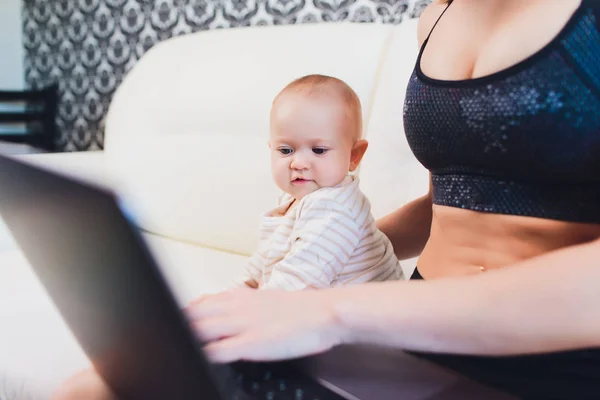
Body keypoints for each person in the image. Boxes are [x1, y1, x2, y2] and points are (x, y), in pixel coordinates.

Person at [52, 0, 600, 399]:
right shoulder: (439, 17)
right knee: (94, 386)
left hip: (548, 364)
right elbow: (451, 202)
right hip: (413, 334)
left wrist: (326, 309)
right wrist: (339, 242)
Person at [238, 74, 402, 290]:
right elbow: (265, 258)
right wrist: (239, 289)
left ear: (354, 155)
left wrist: (246, 307)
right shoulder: (297, 199)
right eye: (286, 150)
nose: (298, 163)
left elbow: (297, 284)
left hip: (367, 318)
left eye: (318, 150)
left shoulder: (335, 208)